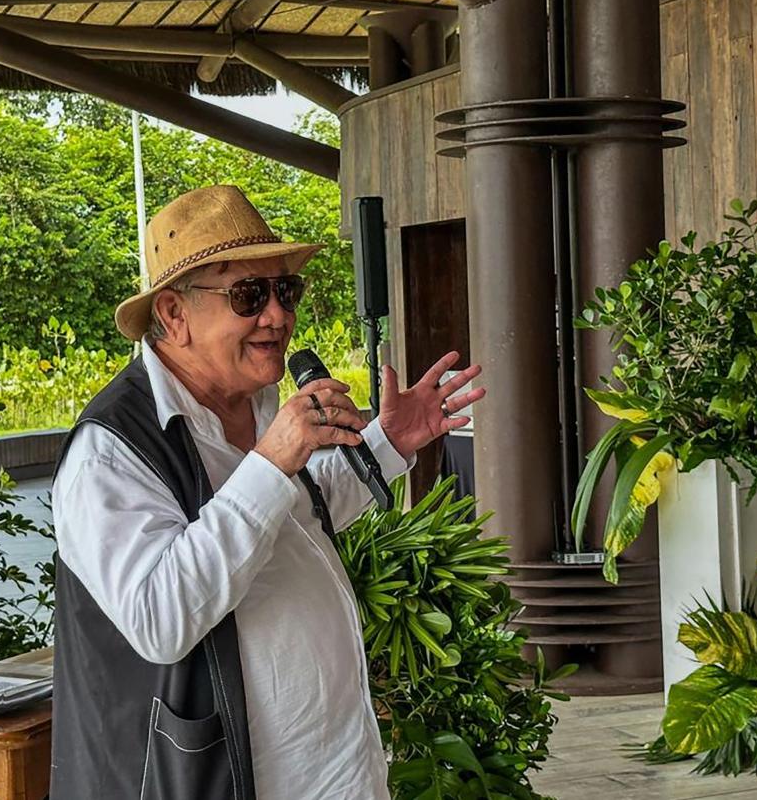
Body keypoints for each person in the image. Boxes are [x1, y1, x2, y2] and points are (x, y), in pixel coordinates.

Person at [50, 185, 484, 800]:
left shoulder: (254, 404)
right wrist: (272, 460)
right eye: (249, 295)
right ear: (173, 314)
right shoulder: (111, 449)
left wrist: (387, 443)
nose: (277, 316)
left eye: (286, 291)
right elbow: (159, 618)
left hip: (336, 774)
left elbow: (290, 522)